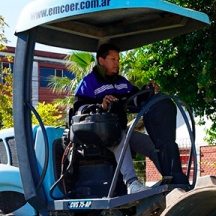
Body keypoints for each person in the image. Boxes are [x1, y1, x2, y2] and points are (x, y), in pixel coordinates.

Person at [72, 42, 188, 194]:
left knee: (151, 145)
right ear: (101, 60)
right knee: (120, 139)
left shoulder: (121, 82)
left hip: (118, 130)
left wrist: (148, 92)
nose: (117, 63)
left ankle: (172, 180)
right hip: (96, 135)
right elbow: (78, 109)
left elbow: (136, 99)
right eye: (113, 59)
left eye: (118, 60)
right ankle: (132, 183)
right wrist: (102, 106)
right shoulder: (88, 83)